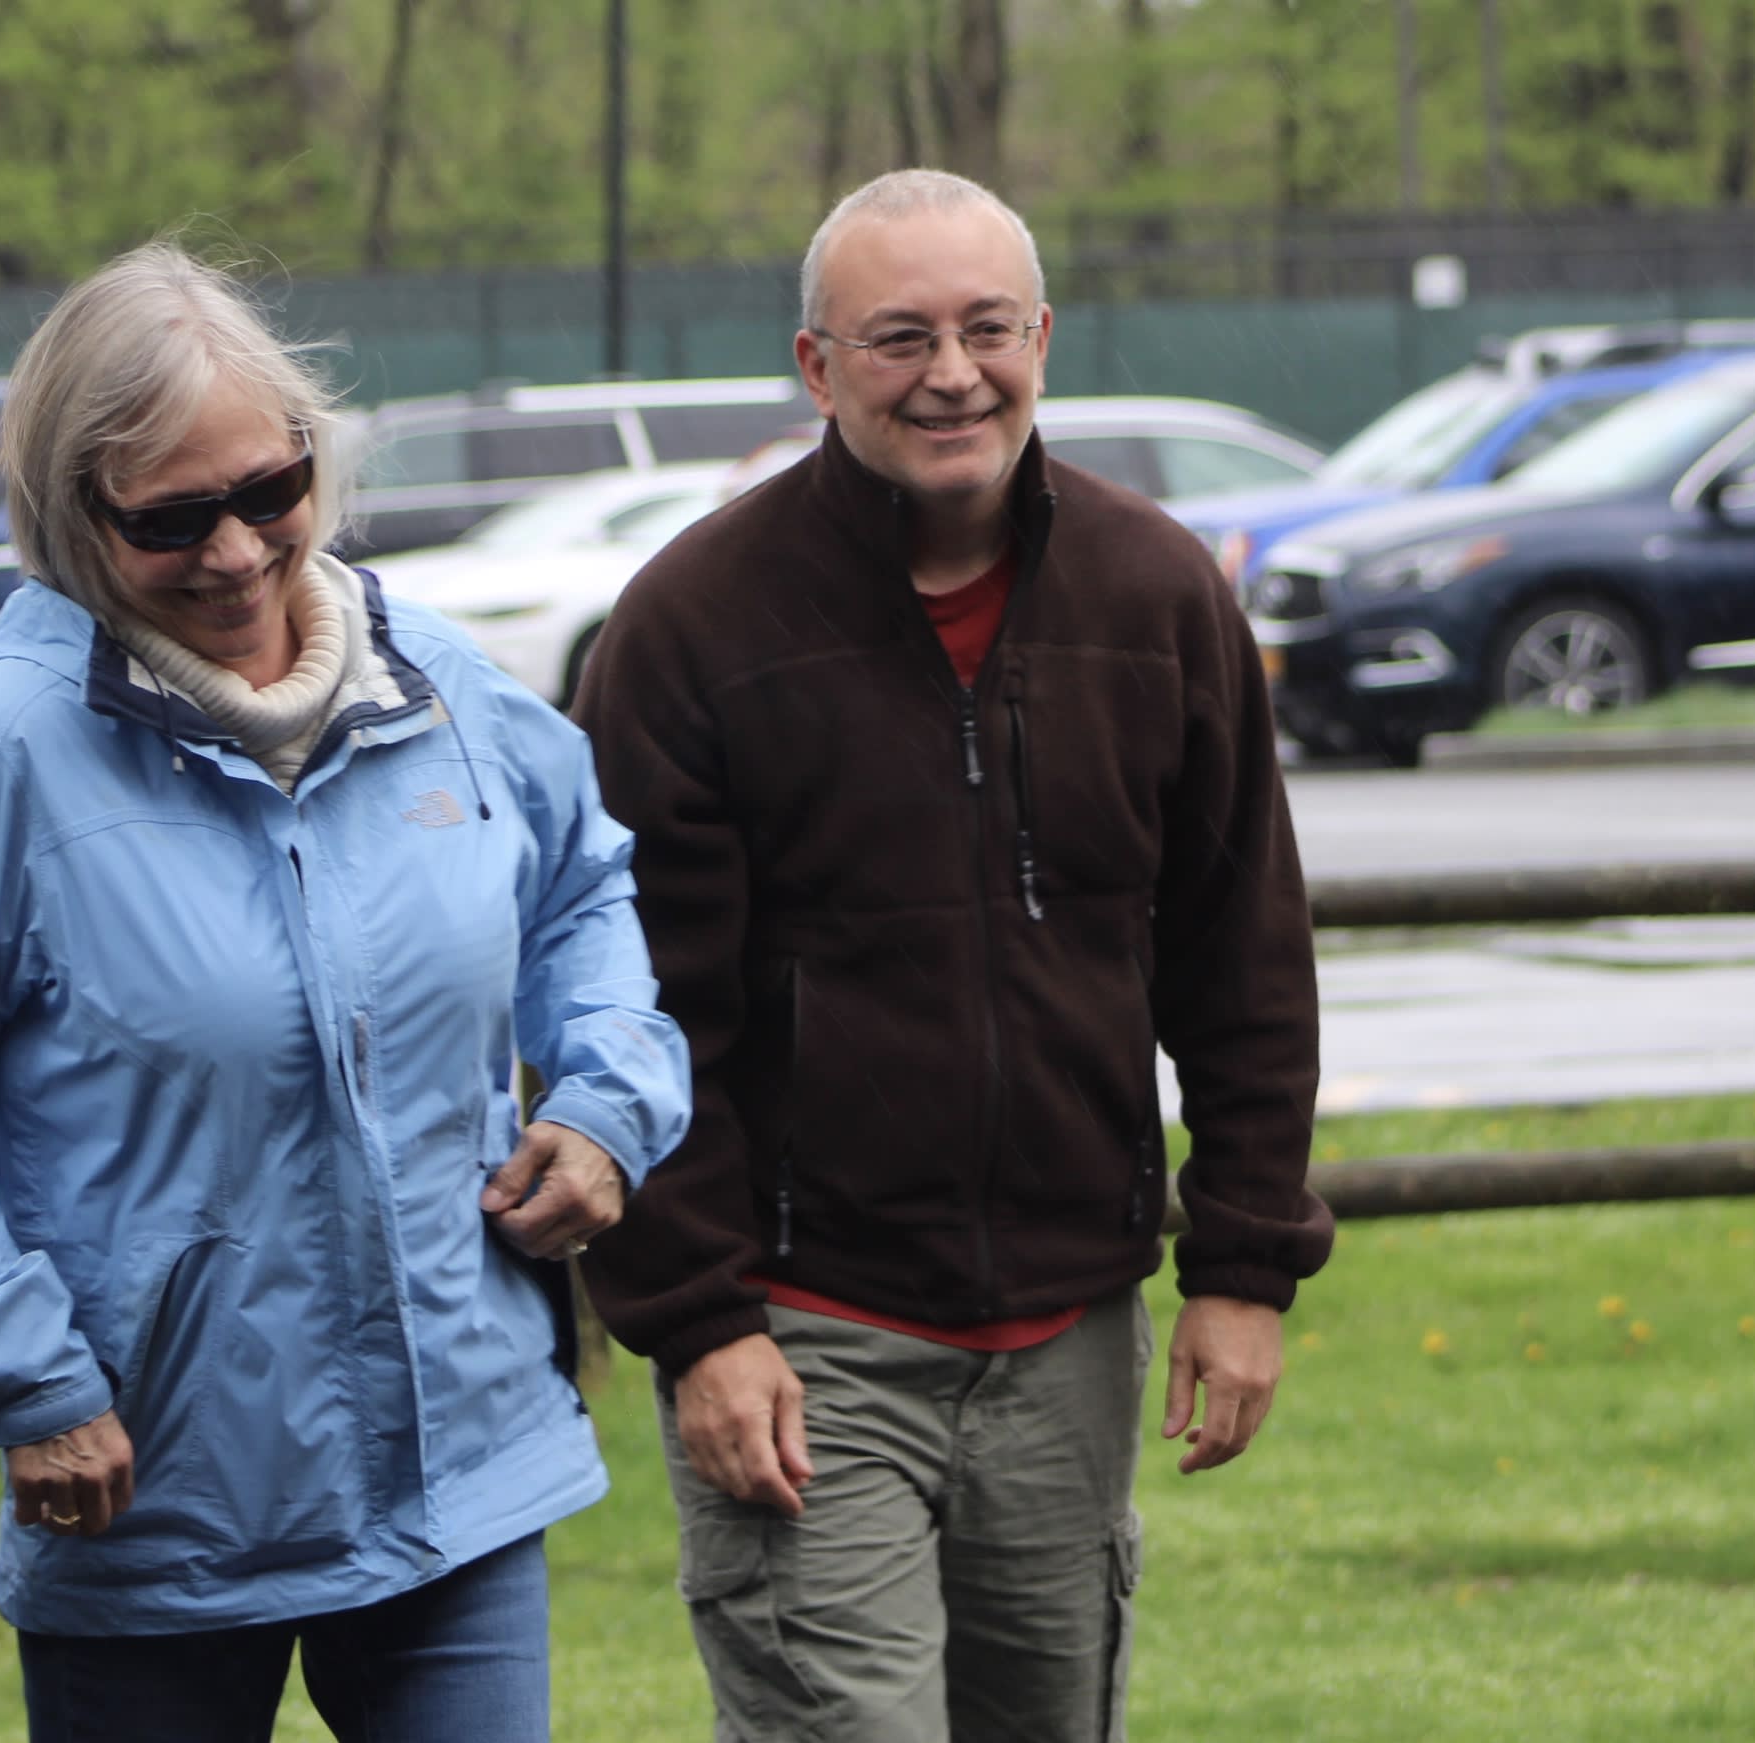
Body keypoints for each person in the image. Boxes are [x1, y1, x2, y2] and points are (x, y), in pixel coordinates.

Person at [0, 240, 690, 1743]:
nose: (238, 552)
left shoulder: (444, 687)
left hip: (460, 1471)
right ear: (73, 515)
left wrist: (604, 1105)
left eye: (271, 492)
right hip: (154, 1506)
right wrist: (26, 1373)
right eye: (173, 518)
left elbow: (584, 895)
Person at [573, 169, 1336, 1741]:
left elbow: (1240, 954)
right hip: (807, 1336)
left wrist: (1245, 1266)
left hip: (1070, 1338)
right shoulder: (696, 629)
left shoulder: (1157, 596)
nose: (951, 373)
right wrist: (702, 1322)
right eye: (899, 336)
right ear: (815, 365)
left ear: (1043, 337)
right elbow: (633, 1017)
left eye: (988, 328)